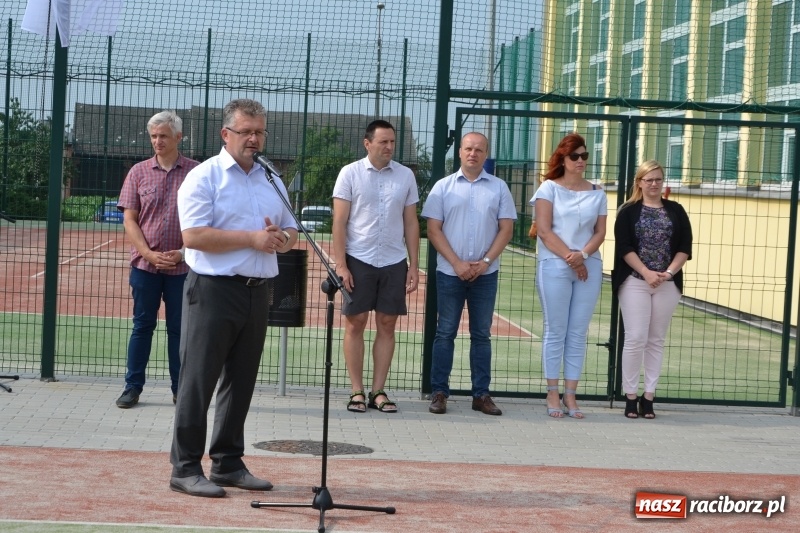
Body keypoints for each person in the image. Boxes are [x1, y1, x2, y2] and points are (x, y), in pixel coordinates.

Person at [169, 99, 298, 498]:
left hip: (258, 293)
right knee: (198, 381)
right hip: (212, 290)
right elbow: (193, 236)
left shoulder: (271, 176)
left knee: (240, 382)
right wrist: (252, 239)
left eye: (260, 131)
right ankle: (185, 467)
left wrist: (282, 239)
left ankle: (227, 462)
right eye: (246, 132)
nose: (255, 139)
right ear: (226, 135)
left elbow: (293, 229)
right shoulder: (204, 177)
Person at [423, 132, 516, 416]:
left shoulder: (499, 188)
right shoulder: (443, 187)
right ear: (460, 153)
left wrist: (485, 262)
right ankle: (439, 392)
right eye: (468, 148)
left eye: (479, 149)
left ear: (486, 154)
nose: (473, 153)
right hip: (451, 273)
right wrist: (458, 263)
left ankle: (481, 395)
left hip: (485, 274)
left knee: (481, 335)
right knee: (445, 333)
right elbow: (433, 229)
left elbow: (506, 229)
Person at [332, 119, 420, 414]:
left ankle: (378, 390)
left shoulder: (406, 176)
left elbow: (411, 222)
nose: (389, 147)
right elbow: (339, 222)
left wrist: (413, 266)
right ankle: (356, 391)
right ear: (367, 143)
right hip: (359, 259)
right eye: (383, 142)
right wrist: (341, 265)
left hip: (394, 260)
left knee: (387, 323)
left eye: (392, 142)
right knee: (355, 323)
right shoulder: (350, 173)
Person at [115, 110, 199, 409]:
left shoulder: (196, 172)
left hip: (184, 267)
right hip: (145, 267)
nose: (157, 141)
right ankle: (132, 387)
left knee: (180, 330)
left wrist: (182, 253)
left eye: (163, 135)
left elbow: (206, 220)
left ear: (179, 137)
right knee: (142, 326)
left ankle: (181, 390)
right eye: (153, 136)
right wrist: (148, 253)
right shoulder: (138, 172)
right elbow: (129, 219)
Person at [531, 132, 607, 419]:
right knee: (556, 330)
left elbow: (600, 232)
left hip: (589, 266)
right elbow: (545, 230)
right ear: (562, 158)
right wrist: (571, 258)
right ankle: (552, 391)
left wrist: (583, 255)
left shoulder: (597, 192)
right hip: (554, 265)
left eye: (584, 156)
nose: (580, 161)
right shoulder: (547, 189)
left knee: (578, 333)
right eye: (574, 156)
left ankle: (571, 395)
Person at [613, 160, 692, 419]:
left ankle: (649, 397)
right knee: (635, 338)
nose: (654, 184)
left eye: (658, 179)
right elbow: (624, 247)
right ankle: (630, 396)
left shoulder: (676, 210)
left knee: (656, 340)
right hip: (636, 280)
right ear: (639, 182)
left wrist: (668, 273)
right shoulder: (628, 211)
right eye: (649, 180)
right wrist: (646, 273)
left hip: (667, 283)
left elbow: (684, 247)